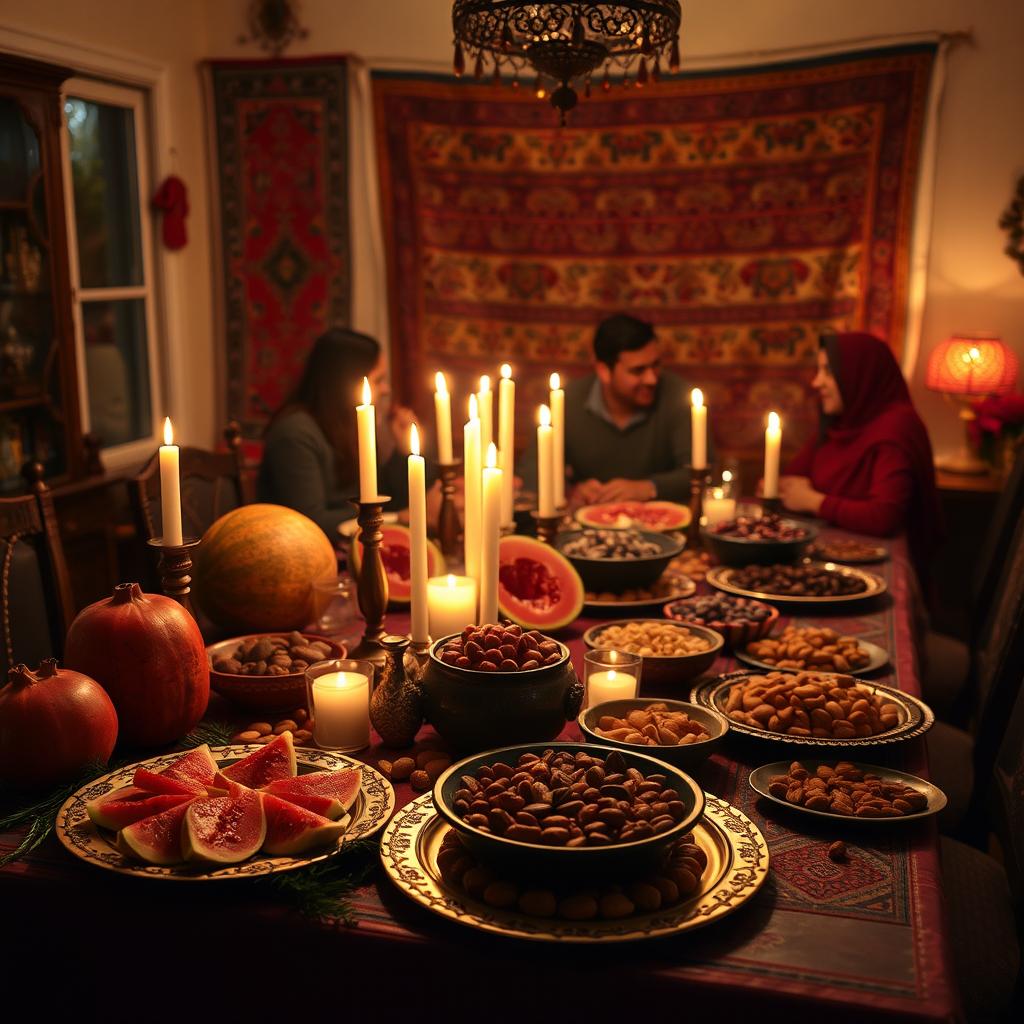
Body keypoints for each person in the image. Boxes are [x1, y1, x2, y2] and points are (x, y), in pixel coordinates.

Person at [776, 331, 942, 570]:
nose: (816, 382)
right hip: (830, 552)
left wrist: (814, 501)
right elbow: (791, 482)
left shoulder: (896, 427)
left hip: (878, 562)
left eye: (828, 372)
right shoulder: (843, 419)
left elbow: (884, 517)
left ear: (859, 375)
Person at [258, 328, 418, 537]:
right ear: (346, 383)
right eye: (379, 380)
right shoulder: (294, 434)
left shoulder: (349, 426)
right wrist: (396, 519)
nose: (387, 389)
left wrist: (402, 450)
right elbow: (310, 521)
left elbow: (379, 496)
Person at [530, 313, 697, 506]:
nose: (652, 379)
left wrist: (648, 487)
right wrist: (572, 491)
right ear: (603, 371)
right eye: (638, 370)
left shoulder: (678, 395)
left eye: (656, 365)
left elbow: (699, 471)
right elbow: (532, 468)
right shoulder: (568, 401)